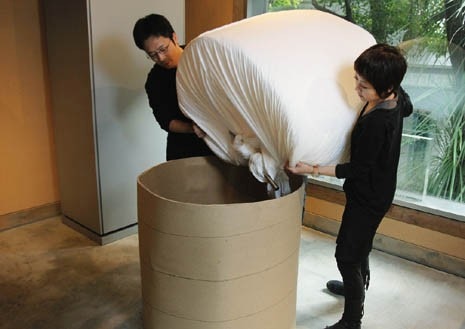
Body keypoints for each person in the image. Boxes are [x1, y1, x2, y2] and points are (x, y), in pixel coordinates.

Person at [287, 43, 413, 329]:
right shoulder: (396, 96)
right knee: (359, 245)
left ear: (387, 86)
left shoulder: (378, 122)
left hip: (369, 196)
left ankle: (352, 319)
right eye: (357, 79)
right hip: (375, 189)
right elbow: (408, 107)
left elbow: (355, 170)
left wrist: (311, 168)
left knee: (346, 255)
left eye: (364, 86)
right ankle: (356, 283)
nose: (357, 88)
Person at [133, 14, 214, 161]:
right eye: (152, 55)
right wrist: (193, 128)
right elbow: (166, 120)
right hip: (183, 149)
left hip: (219, 142)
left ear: (174, 38)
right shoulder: (154, 80)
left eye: (163, 49)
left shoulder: (200, 55)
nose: (161, 58)